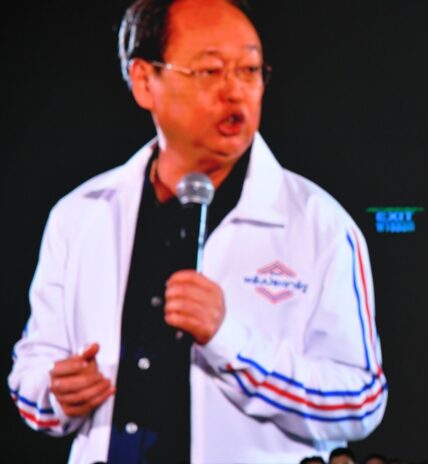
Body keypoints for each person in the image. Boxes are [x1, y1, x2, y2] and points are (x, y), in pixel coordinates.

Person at [7, 0, 387, 462]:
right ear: (145, 80)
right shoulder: (80, 215)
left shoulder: (320, 224)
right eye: (210, 72)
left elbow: (362, 401)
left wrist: (229, 340)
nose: (236, 92)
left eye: (249, 70)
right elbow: (30, 373)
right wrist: (56, 391)